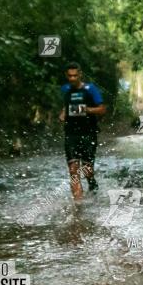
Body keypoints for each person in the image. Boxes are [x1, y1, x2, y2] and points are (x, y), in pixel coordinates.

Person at [58, 63, 107, 199]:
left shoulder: (90, 89)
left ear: (80, 75)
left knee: (87, 170)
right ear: (66, 76)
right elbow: (65, 106)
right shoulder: (64, 89)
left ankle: (92, 184)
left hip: (88, 134)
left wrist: (86, 110)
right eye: (70, 76)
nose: (72, 78)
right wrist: (63, 114)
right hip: (71, 134)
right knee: (73, 170)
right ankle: (78, 205)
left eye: (75, 75)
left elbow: (102, 109)